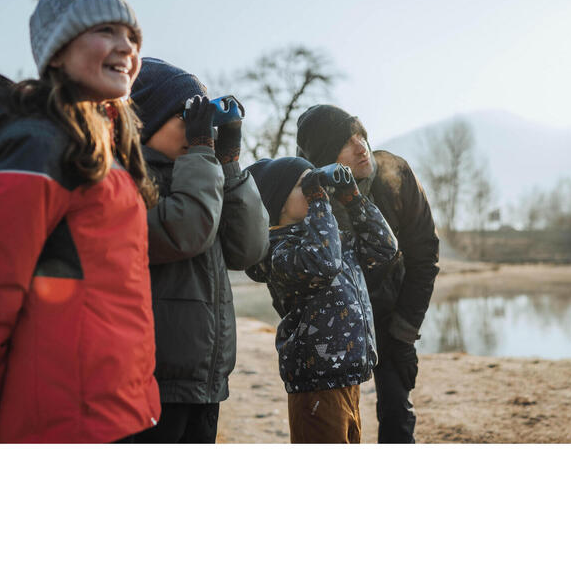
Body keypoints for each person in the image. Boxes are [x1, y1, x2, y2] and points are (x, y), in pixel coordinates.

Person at [0, 0, 161, 443]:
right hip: (65, 428)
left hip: (122, 414)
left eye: (132, 35)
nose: (127, 47)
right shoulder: (37, 148)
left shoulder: (110, 148)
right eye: (106, 30)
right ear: (57, 51)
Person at [128, 58, 269, 443]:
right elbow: (186, 230)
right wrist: (204, 152)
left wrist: (230, 165)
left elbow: (250, 248)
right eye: (188, 115)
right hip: (151, 382)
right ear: (146, 120)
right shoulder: (128, 182)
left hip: (205, 380)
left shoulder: (203, 177)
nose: (198, 128)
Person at [296, 104, 440, 443]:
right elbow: (290, 277)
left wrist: (405, 333)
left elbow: (424, 257)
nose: (361, 146)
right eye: (347, 141)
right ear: (324, 155)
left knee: (397, 415)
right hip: (332, 327)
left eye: (361, 134)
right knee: (336, 425)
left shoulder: (396, 175)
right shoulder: (302, 195)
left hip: (391, 318)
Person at [244, 157, 397, 443]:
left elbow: (384, 247)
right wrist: (318, 200)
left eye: (316, 186)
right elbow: (323, 263)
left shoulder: (328, 237)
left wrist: (353, 199)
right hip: (315, 382)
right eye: (306, 185)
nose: (318, 192)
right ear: (279, 201)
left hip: (346, 376)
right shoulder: (278, 251)